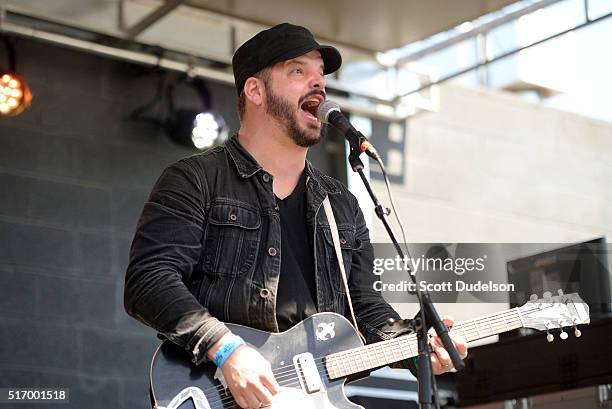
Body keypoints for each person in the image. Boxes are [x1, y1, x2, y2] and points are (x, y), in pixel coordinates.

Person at [124, 22, 467, 409]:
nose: (318, 84)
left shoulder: (340, 203)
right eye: (298, 71)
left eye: (321, 74)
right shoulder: (197, 179)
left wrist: (419, 344)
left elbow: (365, 307)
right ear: (254, 90)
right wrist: (226, 350)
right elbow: (148, 282)